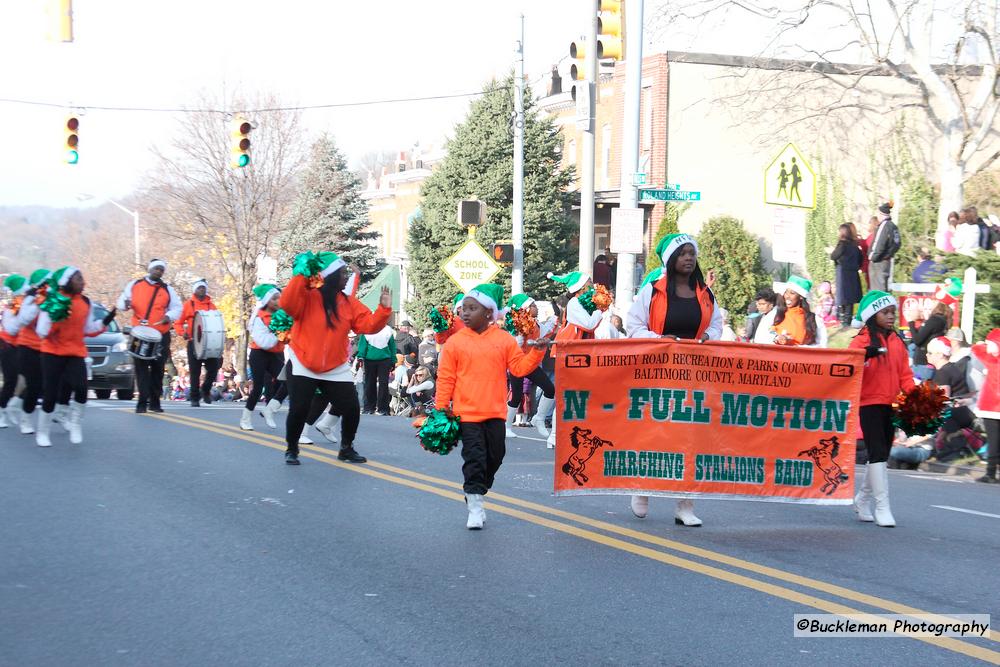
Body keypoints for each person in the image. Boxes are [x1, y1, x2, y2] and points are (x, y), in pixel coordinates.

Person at [626, 233, 723, 527]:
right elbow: (633, 326)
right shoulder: (652, 292)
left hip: (694, 374)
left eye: (692, 253)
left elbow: (716, 325)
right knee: (656, 434)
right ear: (671, 259)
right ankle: (642, 488)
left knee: (691, 438)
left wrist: (708, 336)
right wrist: (659, 340)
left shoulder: (705, 293)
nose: (688, 258)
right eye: (682, 253)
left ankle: (685, 504)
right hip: (658, 372)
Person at [434, 283, 548, 529]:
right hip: (467, 415)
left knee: (495, 457)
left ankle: (477, 489)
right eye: (463, 308)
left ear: (489, 313)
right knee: (474, 458)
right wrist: (441, 409)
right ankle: (474, 505)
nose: (465, 313)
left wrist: (536, 353)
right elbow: (446, 379)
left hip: (495, 413)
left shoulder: (503, 339)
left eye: (472, 308)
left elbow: (518, 368)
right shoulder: (455, 342)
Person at [279, 250, 392, 465]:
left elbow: (367, 325)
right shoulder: (307, 295)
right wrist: (302, 276)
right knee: (299, 409)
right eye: (342, 273)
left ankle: (346, 448)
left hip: (335, 366)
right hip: (304, 361)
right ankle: (292, 448)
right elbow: (287, 305)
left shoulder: (347, 302)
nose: (346, 277)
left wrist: (384, 309)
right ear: (329, 276)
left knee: (350, 408)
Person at [849, 291, 915, 527]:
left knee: (882, 455)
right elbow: (847, 367)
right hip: (868, 403)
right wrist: (863, 356)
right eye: (885, 312)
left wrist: (916, 397)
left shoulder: (897, 340)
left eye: (892, 313)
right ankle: (882, 507)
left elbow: (905, 375)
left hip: (891, 403)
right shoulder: (861, 340)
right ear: (872, 315)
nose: (890, 317)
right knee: (876, 451)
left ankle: (862, 499)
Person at [34, 267, 116, 446]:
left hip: (76, 352)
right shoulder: (53, 300)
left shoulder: (85, 302)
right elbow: (41, 331)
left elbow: (87, 329)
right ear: (67, 281)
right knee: (50, 394)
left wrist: (105, 321)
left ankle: (76, 423)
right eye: (78, 278)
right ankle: (42, 432)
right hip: (52, 352)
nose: (82, 281)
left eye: (82, 278)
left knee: (80, 388)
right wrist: (56, 319)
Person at [117, 259, 182, 413]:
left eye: (161, 270)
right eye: (156, 269)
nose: (159, 272)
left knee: (158, 368)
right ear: (150, 269)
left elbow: (177, 308)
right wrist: (124, 304)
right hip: (140, 333)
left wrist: (169, 316)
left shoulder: (167, 289)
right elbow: (121, 301)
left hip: (161, 334)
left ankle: (155, 402)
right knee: (141, 368)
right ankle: (141, 402)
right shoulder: (135, 284)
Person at [503, 293, 557, 439]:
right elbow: (513, 343)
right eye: (533, 305)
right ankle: (507, 426)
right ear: (525, 309)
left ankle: (539, 418)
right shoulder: (516, 324)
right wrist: (519, 336)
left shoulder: (535, 323)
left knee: (550, 389)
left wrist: (555, 317)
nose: (536, 308)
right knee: (516, 395)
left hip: (531, 363)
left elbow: (545, 333)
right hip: (517, 363)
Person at [8, 269, 52, 434]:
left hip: (46, 348)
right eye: (46, 284)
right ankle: (25, 418)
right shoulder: (24, 300)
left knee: (40, 386)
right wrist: (34, 300)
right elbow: (20, 321)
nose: (48, 287)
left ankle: (16, 404)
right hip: (26, 347)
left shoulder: (53, 299)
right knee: (32, 384)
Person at [240, 284, 288, 431]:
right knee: (258, 387)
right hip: (259, 354)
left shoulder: (282, 315)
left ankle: (269, 410)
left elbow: (287, 336)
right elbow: (265, 343)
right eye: (274, 298)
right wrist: (280, 333)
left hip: (276, 354)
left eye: (279, 298)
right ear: (267, 301)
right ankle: (245, 419)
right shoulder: (260, 318)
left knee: (288, 380)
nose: (277, 301)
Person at [173, 278, 222, 407]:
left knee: (213, 368)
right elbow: (178, 322)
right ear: (195, 290)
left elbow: (216, 321)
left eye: (204, 288)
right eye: (199, 288)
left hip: (209, 342)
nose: (202, 290)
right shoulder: (188, 305)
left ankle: (205, 390)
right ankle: (195, 398)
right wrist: (181, 332)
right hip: (193, 341)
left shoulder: (211, 305)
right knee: (195, 371)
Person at [753, 276, 828, 347]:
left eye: (792, 293)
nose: (787, 296)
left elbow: (821, 346)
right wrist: (776, 338)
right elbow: (760, 337)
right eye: (786, 292)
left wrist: (798, 348)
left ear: (801, 296)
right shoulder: (775, 313)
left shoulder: (814, 319)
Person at [972, 328, 1000, 483]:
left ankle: (990, 473)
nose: (987, 346)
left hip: (991, 406)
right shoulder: (991, 358)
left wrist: (980, 344)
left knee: (993, 440)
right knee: (996, 440)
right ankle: (992, 471)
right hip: (991, 407)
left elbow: (977, 349)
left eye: (990, 343)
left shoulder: (990, 360)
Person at [0, 274, 28, 428]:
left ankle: (12, 406)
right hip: (7, 345)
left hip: (23, 347)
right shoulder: (12, 307)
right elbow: (11, 328)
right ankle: (1, 411)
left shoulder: (29, 304)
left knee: (28, 380)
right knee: (11, 380)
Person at [905, 301, 950, 379]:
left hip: (923, 364)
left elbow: (917, 340)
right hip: (928, 363)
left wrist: (910, 321)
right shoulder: (942, 321)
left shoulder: (934, 320)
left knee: (920, 390)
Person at [358, 324, 396, 415]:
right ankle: (369, 408)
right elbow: (362, 345)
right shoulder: (367, 329)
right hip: (370, 360)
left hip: (384, 360)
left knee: (383, 384)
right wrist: (360, 356)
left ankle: (382, 409)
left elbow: (392, 346)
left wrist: (393, 360)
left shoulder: (388, 330)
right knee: (370, 384)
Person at [830, 223, 863, 326]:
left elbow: (833, 256)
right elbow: (860, 260)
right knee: (850, 298)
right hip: (852, 274)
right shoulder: (855, 246)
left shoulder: (842, 244)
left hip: (843, 274)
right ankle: (847, 320)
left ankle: (842, 319)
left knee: (842, 297)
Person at [868, 203, 900, 292]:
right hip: (886, 261)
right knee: (883, 286)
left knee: (877, 290)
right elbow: (897, 244)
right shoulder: (893, 226)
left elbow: (878, 243)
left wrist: (872, 257)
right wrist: (889, 254)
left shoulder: (883, 226)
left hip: (879, 262)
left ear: (881, 214)